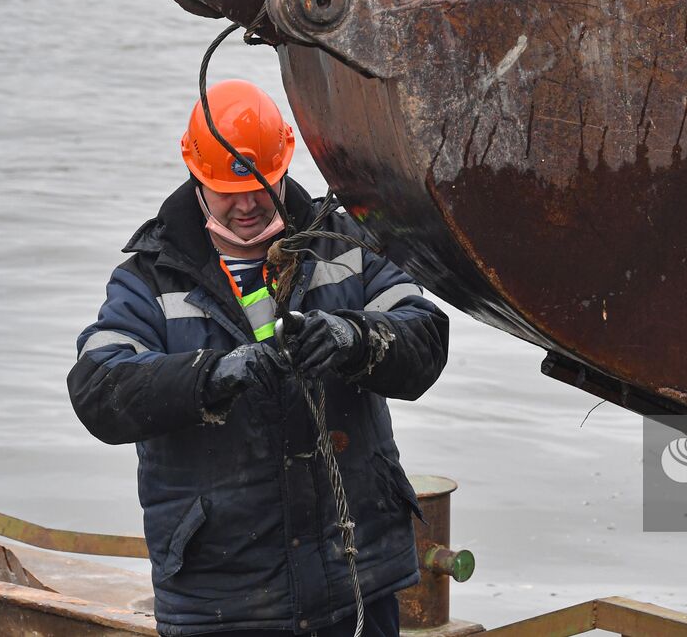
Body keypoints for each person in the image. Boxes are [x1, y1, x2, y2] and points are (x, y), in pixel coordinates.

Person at [68, 79, 449, 637]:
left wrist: (354, 339)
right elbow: (99, 390)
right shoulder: (148, 279)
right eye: (227, 189)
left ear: (285, 165)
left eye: (262, 185)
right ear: (195, 173)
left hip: (355, 579)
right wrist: (213, 376)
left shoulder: (345, 244)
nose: (247, 204)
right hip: (223, 596)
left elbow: (425, 338)